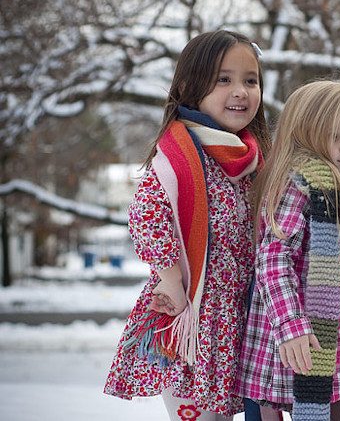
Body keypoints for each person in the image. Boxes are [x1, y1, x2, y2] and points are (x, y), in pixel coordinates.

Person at [104, 29, 271, 421]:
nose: (241, 92)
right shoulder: (178, 155)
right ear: (190, 87)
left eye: (251, 80)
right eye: (223, 79)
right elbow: (147, 215)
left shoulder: (253, 160)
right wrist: (168, 279)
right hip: (192, 315)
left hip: (240, 315)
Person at [234, 80, 340, 421]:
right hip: (295, 350)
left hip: (330, 351)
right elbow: (273, 259)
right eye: (333, 136)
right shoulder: (301, 188)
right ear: (306, 138)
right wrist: (292, 325)